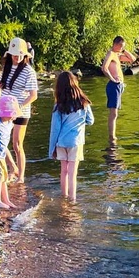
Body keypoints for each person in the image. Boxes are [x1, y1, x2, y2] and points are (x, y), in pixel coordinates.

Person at [47, 71, 94, 202]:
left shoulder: (58, 105)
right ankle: (72, 199)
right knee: (73, 173)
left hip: (61, 142)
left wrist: (52, 149)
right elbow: (90, 121)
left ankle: (64, 197)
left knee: (64, 171)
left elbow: (55, 129)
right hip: (76, 142)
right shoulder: (84, 103)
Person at [0, 37, 38, 182]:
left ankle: (20, 176)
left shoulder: (29, 71)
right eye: (14, 55)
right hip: (5, 109)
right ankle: (11, 169)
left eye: (20, 55)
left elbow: (33, 95)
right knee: (1, 140)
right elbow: (6, 86)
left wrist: (19, 107)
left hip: (21, 111)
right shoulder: (7, 68)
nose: (17, 57)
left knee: (17, 144)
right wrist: (0, 85)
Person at [100, 36, 136, 145]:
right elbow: (104, 68)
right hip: (114, 85)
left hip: (119, 86)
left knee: (115, 113)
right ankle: (112, 137)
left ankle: (113, 136)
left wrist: (124, 50)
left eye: (122, 47)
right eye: (120, 46)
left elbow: (133, 59)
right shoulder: (110, 54)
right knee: (114, 113)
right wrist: (112, 79)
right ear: (115, 44)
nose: (121, 48)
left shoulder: (117, 55)